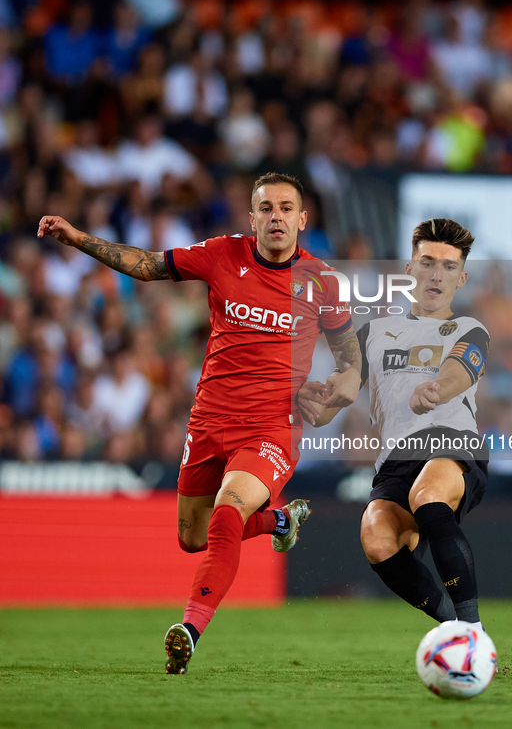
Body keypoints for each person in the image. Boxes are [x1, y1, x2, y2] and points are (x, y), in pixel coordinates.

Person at [37, 172, 362, 673]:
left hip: (271, 427)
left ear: (302, 218)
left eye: (285, 208)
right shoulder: (221, 254)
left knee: (228, 512)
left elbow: (350, 363)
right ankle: (279, 520)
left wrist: (338, 395)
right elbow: (147, 266)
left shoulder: (324, 283)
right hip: (209, 420)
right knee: (193, 536)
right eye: (266, 208)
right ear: (252, 218)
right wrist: (79, 238)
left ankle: (187, 630)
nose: (276, 217)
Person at [299, 218, 489, 628]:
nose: (437, 274)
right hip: (395, 460)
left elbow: (461, 372)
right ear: (409, 268)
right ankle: (452, 630)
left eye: (449, 266)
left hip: (451, 444)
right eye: (427, 262)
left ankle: (474, 631)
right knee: (377, 538)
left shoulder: (471, 329)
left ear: (462, 277)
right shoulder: (372, 334)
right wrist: (317, 398)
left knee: (427, 495)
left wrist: (438, 388)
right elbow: (329, 408)